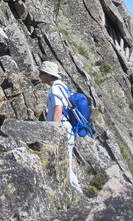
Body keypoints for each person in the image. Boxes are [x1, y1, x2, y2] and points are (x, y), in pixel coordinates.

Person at [39, 60, 82, 193]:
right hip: (68, 130)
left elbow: (58, 109)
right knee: (65, 165)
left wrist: (54, 131)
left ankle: (79, 196)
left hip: (62, 130)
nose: (39, 75)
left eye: (42, 73)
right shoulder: (63, 86)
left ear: (49, 75)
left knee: (66, 168)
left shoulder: (55, 88)